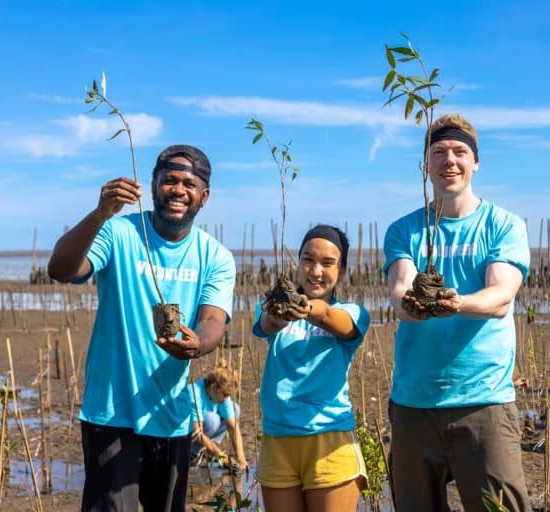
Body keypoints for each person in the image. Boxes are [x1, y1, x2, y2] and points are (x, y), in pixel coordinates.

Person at [47, 144, 235, 512]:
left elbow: (213, 321)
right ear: (152, 185)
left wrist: (197, 344)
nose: (178, 190)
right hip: (111, 413)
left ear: (204, 196)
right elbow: (61, 269)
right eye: (169, 180)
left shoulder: (216, 256)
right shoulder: (117, 232)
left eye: (188, 183)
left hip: (173, 416)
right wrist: (100, 213)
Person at [383, 113, 531, 512]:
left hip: (483, 401)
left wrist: (456, 304)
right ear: (425, 165)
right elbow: (400, 288)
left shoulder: (503, 225)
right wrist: (411, 307)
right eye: (439, 152)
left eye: (460, 151)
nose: (450, 160)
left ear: (475, 162)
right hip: (414, 403)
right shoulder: (404, 230)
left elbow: (501, 296)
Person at [253, 225, 371, 512]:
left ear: (342, 270)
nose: (315, 270)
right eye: (308, 259)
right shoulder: (271, 308)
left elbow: (334, 319)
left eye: (328, 263)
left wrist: (308, 309)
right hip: (277, 440)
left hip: (329, 440)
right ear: (298, 263)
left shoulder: (354, 313)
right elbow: (267, 324)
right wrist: (280, 314)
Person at [187, 362, 248, 472]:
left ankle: (210, 451)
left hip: (205, 433)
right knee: (212, 420)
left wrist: (241, 458)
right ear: (213, 387)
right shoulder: (194, 393)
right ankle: (194, 453)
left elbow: (233, 428)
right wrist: (222, 458)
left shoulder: (221, 393)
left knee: (236, 409)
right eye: (224, 395)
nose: (225, 399)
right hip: (188, 438)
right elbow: (198, 434)